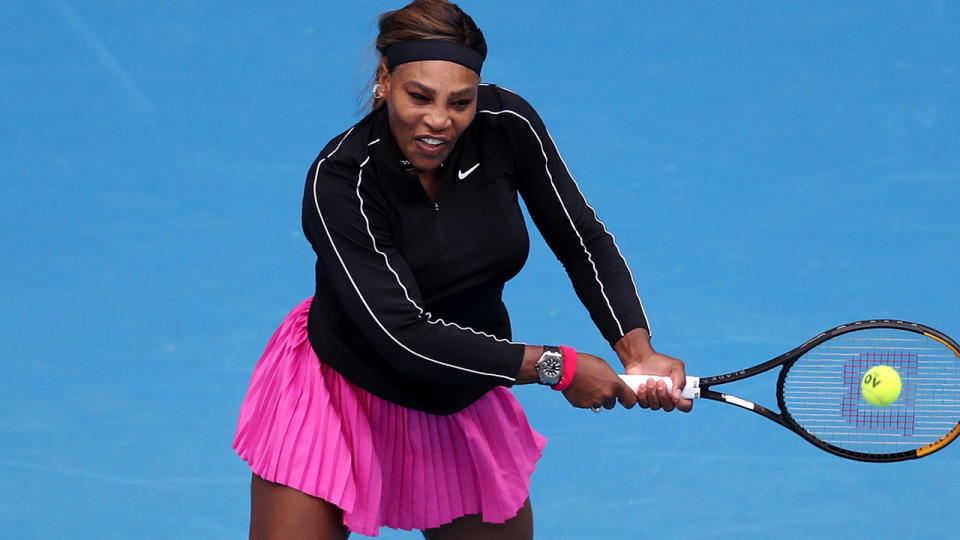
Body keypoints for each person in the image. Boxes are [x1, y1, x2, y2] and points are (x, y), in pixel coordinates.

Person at [233, 1, 692, 538]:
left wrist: (636, 349)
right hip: (339, 393)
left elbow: (581, 239)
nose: (439, 122)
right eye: (419, 97)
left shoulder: (508, 125)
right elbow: (402, 336)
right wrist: (558, 368)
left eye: (460, 102)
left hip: (462, 388)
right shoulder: (341, 182)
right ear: (385, 79)